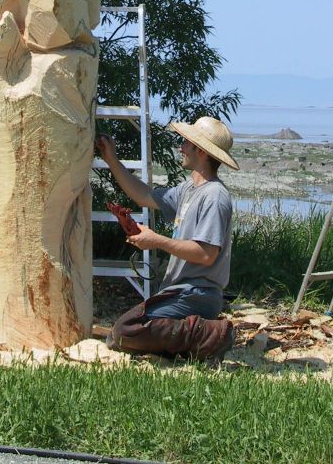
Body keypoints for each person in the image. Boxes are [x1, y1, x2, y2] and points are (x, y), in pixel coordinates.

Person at [96, 116, 239, 361]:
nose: (181, 147)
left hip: (197, 294)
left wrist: (155, 240)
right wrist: (111, 159)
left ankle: (214, 335)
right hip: (183, 291)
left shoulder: (214, 196)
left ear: (201, 152)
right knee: (123, 333)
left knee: (123, 331)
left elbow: (206, 255)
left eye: (186, 142)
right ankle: (195, 340)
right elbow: (144, 196)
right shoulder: (188, 190)